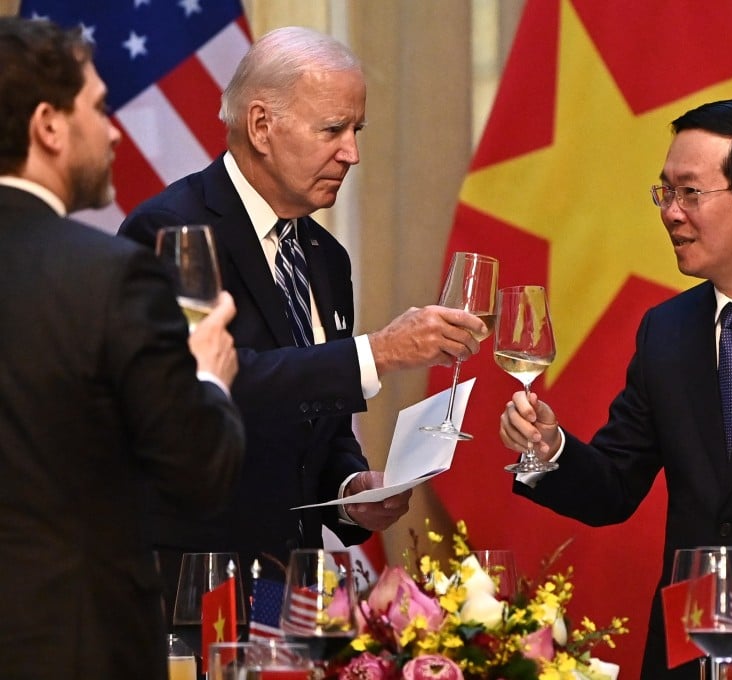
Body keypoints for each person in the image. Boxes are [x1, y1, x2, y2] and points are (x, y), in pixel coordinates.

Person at [119, 26, 486, 613]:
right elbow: (204, 391)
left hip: (295, 590)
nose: (352, 153)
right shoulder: (172, 233)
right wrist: (379, 352)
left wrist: (349, 491)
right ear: (261, 125)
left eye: (356, 130)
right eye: (332, 130)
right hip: (194, 588)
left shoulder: (324, 257)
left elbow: (320, 422)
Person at [498, 98, 732, 679]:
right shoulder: (666, 330)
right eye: (665, 193)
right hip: (691, 649)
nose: (671, 213)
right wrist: (547, 449)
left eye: (690, 193)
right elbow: (612, 488)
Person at [0, 17, 245, 679]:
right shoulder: (112, 274)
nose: (113, 129)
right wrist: (208, 378)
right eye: (101, 106)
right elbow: (198, 473)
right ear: (49, 126)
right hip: (70, 647)